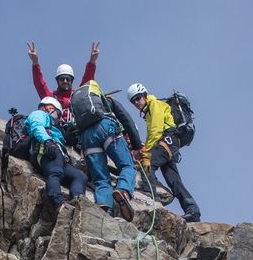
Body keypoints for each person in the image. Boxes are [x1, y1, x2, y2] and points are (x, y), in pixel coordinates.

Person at [126, 83, 201, 221]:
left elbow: (156, 131)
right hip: (168, 143)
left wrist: (145, 152)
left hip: (168, 140)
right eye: (133, 101)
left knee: (147, 165)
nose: (136, 103)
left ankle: (150, 200)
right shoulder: (148, 112)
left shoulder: (155, 104)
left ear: (144, 95)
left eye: (138, 98)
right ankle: (193, 210)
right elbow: (154, 133)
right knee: (173, 180)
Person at [71, 81, 136, 220]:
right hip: (106, 127)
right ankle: (123, 190)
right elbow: (127, 120)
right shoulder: (107, 101)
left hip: (86, 138)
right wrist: (136, 145)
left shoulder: (78, 111)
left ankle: (104, 207)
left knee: (100, 179)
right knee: (127, 165)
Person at [25, 95, 86, 208]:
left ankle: (77, 200)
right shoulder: (39, 114)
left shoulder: (54, 127)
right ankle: (57, 201)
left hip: (59, 155)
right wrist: (47, 141)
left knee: (80, 176)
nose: (58, 116)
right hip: (46, 149)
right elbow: (37, 127)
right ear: (47, 107)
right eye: (57, 112)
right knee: (55, 172)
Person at [27, 42, 100, 119]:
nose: (65, 81)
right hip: (57, 128)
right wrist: (35, 63)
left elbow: (87, 82)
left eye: (68, 79)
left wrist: (92, 62)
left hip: (78, 126)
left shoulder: (76, 95)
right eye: (62, 79)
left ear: (71, 81)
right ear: (58, 81)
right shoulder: (51, 97)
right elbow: (40, 84)